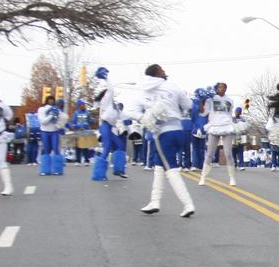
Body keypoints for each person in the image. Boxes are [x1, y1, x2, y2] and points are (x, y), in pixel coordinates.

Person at [135, 64, 196, 218]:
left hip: (163, 134)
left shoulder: (143, 90)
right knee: (158, 165)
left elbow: (130, 110)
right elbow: (189, 105)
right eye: (162, 70)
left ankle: (188, 204)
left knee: (171, 168)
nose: (165, 72)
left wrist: (146, 118)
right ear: (156, 74)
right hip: (179, 131)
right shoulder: (173, 86)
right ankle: (154, 202)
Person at [92, 66, 130, 181]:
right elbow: (111, 90)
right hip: (104, 126)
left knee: (120, 146)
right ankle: (98, 174)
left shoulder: (114, 107)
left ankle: (119, 170)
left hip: (111, 128)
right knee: (107, 147)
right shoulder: (106, 101)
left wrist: (131, 120)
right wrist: (106, 78)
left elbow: (123, 116)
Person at [199, 82, 238, 186]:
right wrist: (201, 100)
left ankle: (232, 178)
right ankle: (203, 177)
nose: (222, 89)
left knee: (228, 153)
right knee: (210, 154)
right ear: (216, 88)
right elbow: (203, 113)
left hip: (227, 126)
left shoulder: (229, 100)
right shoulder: (210, 99)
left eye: (224, 87)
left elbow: (230, 115)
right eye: (220, 87)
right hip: (214, 126)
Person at [36, 94, 68, 176]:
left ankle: (57, 170)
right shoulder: (41, 109)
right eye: (49, 100)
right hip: (44, 131)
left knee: (56, 150)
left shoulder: (57, 110)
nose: (51, 101)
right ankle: (45, 170)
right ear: (46, 101)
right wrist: (51, 115)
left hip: (54, 132)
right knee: (46, 150)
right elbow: (43, 121)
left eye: (52, 100)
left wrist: (60, 125)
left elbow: (64, 118)